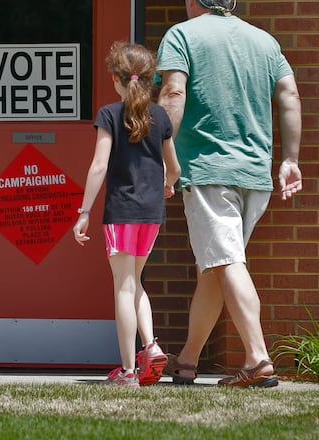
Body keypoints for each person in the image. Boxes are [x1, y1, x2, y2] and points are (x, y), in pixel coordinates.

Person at [156, 0, 302, 388]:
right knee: (217, 268)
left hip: (208, 171)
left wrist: (158, 154)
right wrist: (290, 159)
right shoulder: (265, 41)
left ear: (193, 2)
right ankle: (187, 361)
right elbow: (289, 95)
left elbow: (172, 92)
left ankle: (257, 358)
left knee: (226, 261)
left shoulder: (182, 35)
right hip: (255, 174)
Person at [73, 41, 180, 387]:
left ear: (116, 80)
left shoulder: (109, 115)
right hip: (151, 213)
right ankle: (150, 346)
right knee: (136, 281)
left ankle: (128, 372)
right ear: (150, 81)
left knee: (123, 286)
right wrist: (169, 184)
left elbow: (98, 165)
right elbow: (173, 166)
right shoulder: (160, 116)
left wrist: (83, 211)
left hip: (121, 211)